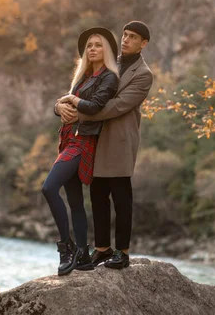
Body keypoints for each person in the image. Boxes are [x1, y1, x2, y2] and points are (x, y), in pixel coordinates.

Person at [55, 21, 153, 270]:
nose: (126, 40)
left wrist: (80, 114)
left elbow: (118, 105)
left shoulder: (143, 75)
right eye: (125, 35)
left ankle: (122, 252)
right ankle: (101, 249)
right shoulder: (109, 62)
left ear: (144, 44)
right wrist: (60, 107)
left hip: (119, 139)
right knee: (97, 195)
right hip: (94, 138)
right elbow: (82, 90)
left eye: (133, 37)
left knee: (121, 197)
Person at [43, 27, 120, 276]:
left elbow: (95, 105)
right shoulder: (83, 76)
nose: (93, 48)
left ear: (106, 49)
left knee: (49, 187)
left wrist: (72, 100)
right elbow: (63, 103)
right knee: (75, 201)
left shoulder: (109, 77)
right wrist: (58, 106)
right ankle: (84, 255)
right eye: (89, 45)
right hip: (68, 138)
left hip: (84, 141)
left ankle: (66, 248)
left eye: (98, 44)